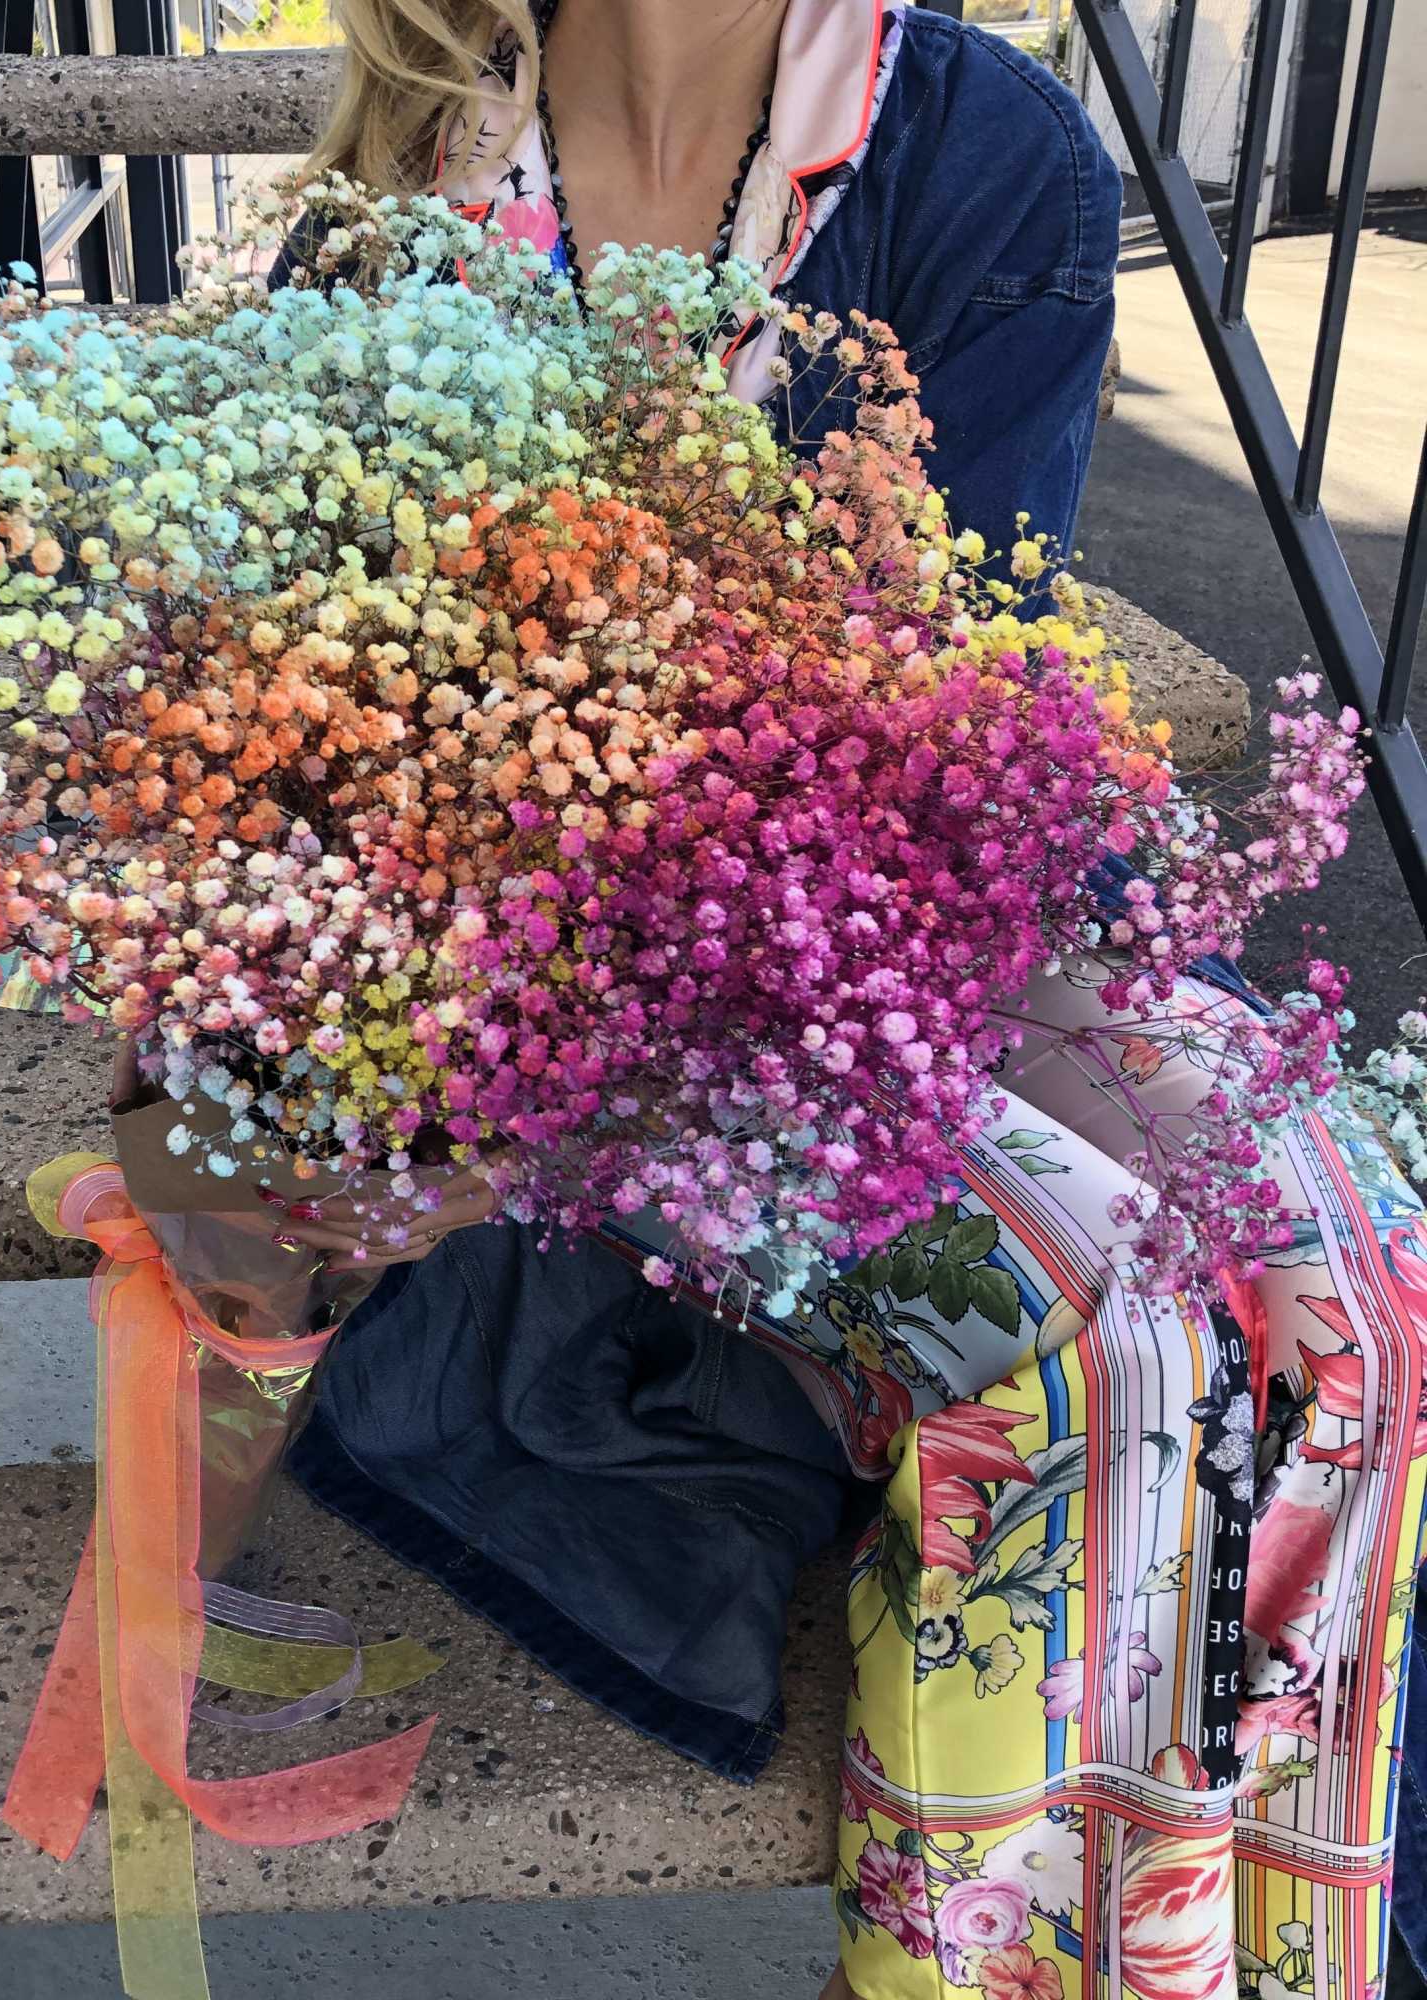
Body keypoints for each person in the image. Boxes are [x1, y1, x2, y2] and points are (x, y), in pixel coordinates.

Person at [269, 6, 1427, 1997]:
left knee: (1363, 1277)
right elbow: (346, 753)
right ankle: (973, 1970)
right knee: (1081, 1338)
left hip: (891, 926)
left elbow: (939, 730)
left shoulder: (979, 156)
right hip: (538, 993)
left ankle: (1264, 1962)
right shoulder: (406, 194)